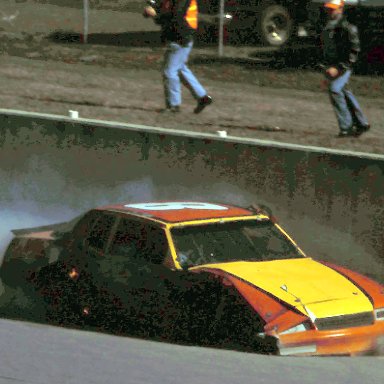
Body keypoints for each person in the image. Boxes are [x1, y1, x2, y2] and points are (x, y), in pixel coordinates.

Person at [143, 0, 212, 113]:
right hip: (179, 36)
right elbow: (162, 11)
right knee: (180, 69)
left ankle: (174, 105)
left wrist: (155, 15)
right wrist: (151, 11)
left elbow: (176, 17)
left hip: (180, 37)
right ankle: (202, 97)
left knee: (169, 71)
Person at [320, 0, 370, 138]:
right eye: (329, 9)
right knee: (343, 90)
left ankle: (346, 127)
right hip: (333, 66)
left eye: (333, 9)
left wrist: (339, 68)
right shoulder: (327, 26)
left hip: (343, 66)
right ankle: (361, 123)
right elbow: (325, 49)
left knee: (335, 90)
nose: (330, 12)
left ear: (341, 9)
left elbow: (354, 51)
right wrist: (325, 66)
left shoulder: (347, 27)